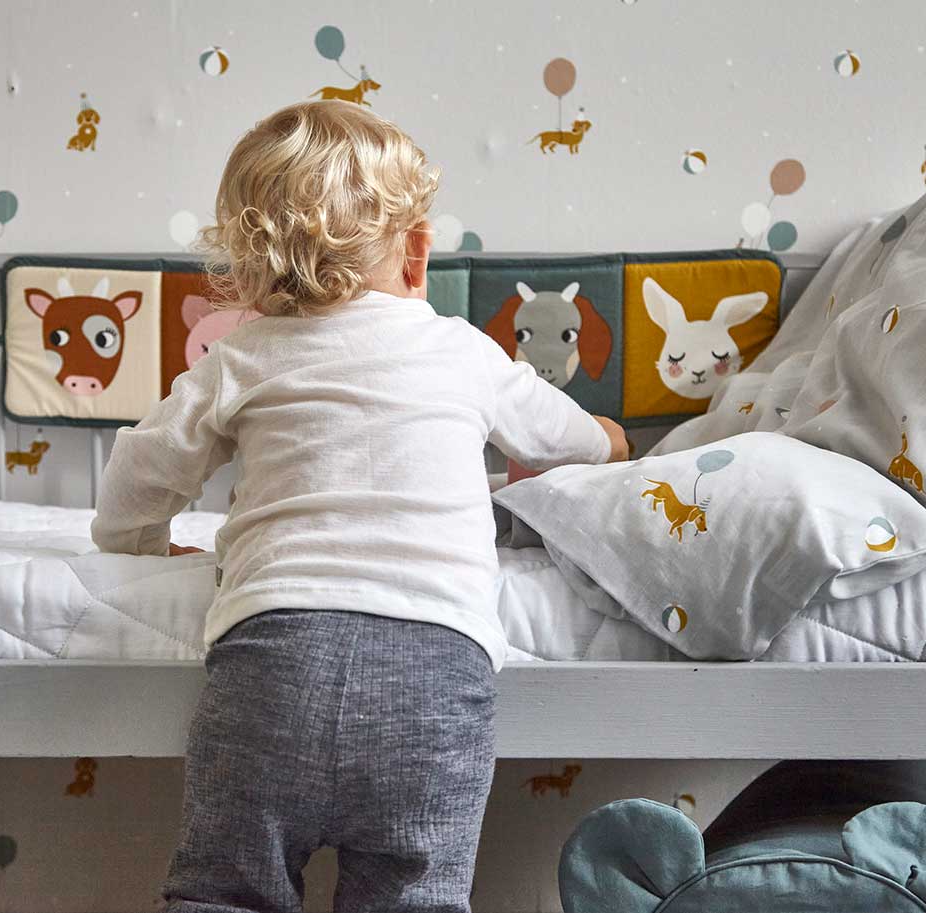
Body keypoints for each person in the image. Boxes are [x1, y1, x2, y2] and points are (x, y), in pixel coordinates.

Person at [91, 99, 627, 913]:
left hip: (273, 666)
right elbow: (568, 440)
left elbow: (144, 463)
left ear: (251, 267)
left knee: (225, 889)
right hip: (438, 677)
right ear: (417, 254)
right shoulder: (461, 350)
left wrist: (134, 538)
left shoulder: (242, 357)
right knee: (414, 899)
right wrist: (615, 441)